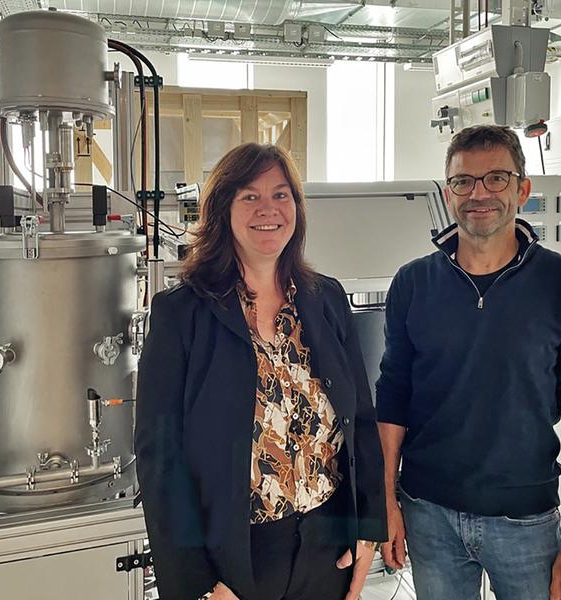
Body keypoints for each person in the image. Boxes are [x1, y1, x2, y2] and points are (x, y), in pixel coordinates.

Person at [135, 143, 387, 600]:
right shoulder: (183, 314)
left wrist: (368, 530)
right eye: (249, 196)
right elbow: (160, 459)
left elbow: (360, 420)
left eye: (281, 194)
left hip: (328, 546)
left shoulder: (325, 299)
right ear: (222, 210)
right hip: (236, 558)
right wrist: (198, 581)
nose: (268, 209)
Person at [376, 125, 561, 600]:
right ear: (449, 193)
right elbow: (394, 395)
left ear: (522, 189)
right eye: (464, 181)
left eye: (496, 179)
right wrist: (386, 499)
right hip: (428, 512)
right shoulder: (412, 284)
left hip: (525, 519)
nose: (479, 193)